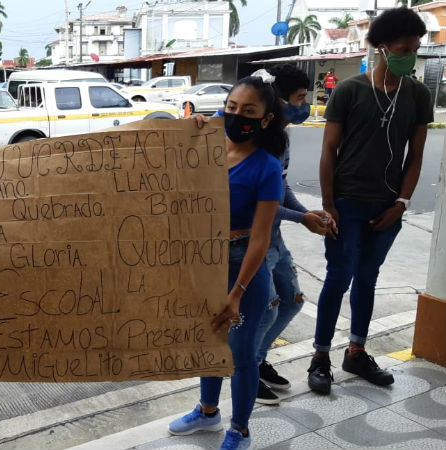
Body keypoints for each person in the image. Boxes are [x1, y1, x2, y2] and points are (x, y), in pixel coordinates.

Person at [307, 7, 433, 395]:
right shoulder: (350, 91)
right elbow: (329, 150)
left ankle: (356, 351)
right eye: (402, 48)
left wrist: (402, 203)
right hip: (346, 203)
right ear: (381, 48)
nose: (409, 55)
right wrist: (329, 205)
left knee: (367, 278)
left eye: (414, 48)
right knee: (338, 277)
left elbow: (416, 156)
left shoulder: (417, 94)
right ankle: (321, 357)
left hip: (387, 208)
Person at [168, 71, 285, 450]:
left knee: (242, 351)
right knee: (208, 339)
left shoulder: (267, 166)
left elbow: (262, 237)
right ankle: (207, 412)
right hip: (204, 264)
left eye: (248, 111)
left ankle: (240, 428)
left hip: (243, 267)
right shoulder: (204, 146)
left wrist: (237, 293)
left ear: (265, 119)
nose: (237, 116)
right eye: (231, 107)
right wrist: (187, 133)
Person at [252, 64, 336, 405]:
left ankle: (256, 361)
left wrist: (305, 212)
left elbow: (280, 186)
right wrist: (302, 219)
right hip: (254, 241)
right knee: (268, 309)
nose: (305, 105)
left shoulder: (281, 138)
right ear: (279, 100)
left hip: (275, 239)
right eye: (301, 98)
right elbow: (257, 202)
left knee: (292, 301)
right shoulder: (253, 140)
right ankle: (246, 367)